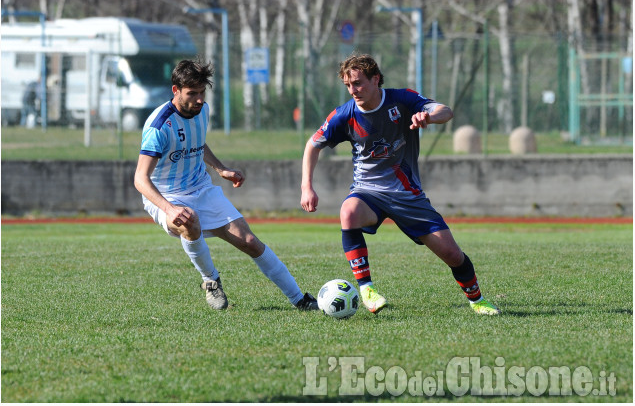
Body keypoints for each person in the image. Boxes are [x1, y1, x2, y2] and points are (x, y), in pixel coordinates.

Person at [301, 53, 500, 315]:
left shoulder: (401, 99)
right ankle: (366, 288)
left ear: (375, 79)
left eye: (358, 83)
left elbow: (445, 111)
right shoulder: (344, 115)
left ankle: (477, 299)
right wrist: (307, 187)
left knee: (452, 255)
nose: (353, 90)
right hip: (368, 191)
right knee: (348, 212)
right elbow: (313, 145)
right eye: (348, 85)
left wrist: (427, 117)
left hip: (407, 195)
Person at [134, 59, 318, 311]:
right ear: (175, 91)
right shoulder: (159, 127)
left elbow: (197, 143)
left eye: (202, 92)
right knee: (189, 220)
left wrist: (221, 169)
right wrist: (169, 209)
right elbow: (140, 179)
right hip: (167, 195)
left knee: (250, 241)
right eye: (192, 94)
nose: (199, 100)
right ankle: (211, 280)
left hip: (201, 188)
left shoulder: (202, 111)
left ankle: (300, 300)